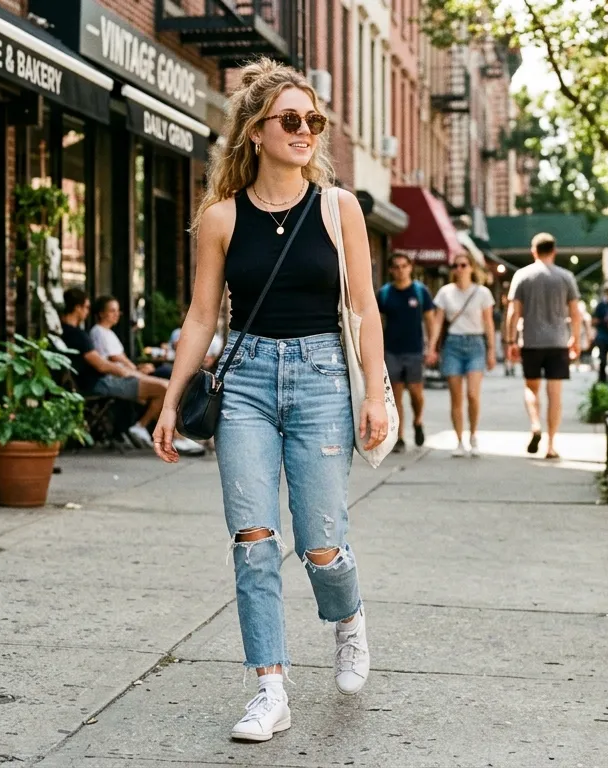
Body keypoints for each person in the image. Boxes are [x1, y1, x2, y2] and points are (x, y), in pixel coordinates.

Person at [150, 60, 387, 743]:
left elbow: (364, 309)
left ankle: (347, 619)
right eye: (291, 119)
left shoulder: (340, 209)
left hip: (320, 380)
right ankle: (270, 688)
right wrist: (170, 405)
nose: (306, 130)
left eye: (314, 120)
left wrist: (375, 392)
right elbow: (200, 318)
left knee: (321, 545)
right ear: (256, 132)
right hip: (247, 382)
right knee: (253, 539)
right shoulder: (221, 217)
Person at [57, 289, 203, 455]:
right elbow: (102, 365)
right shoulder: (78, 335)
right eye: (86, 307)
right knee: (165, 387)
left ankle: (168, 435)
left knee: (166, 384)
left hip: (100, 380)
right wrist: (128, 372)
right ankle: (157, 432)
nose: (87, 311)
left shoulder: (68, 333)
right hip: (99, 382)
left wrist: (131, 371)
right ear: (77, 308)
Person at [505, 233, 582, 460]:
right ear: (554, 251)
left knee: (531, 388)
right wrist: (575, 339)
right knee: (555, 394)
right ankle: (550, 445)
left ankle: (535, 424)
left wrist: (510, 340)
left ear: (534, 251)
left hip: (531, 341)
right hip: (558, 342)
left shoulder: (522, 276)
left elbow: (513, 312)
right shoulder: (566, 277)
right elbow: (575, 314)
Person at [427, 256, 496, 457]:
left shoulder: (482, 292)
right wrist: (431, 347)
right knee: (456, 398)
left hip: (476, 344)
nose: (459, 268)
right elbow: (438, 322)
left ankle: (473, 435)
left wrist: (491, 350)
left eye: (463, 265)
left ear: (471, 268)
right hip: (453, 345)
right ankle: (459, 441)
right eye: (456, 265)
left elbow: (489, 323)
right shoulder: (445, 292)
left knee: (473, 395)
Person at [376, 253, 436, 453]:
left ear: (410, 267)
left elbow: (430, 320)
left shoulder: (420, 292)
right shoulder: (385, 294)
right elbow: (375, 322)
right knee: (395, 397)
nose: (401, 270)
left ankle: (418, 421)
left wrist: (432, 346)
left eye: (404, 266)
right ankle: (399, 437)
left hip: (414, 350)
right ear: (391, 270)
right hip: (391, 351)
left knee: (417, 394)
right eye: (397, 267)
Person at [89, 295, 155, 375]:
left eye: (118, 311)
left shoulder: (109, 332)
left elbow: (121, 357)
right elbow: (114, 357)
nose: (117, 314)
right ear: (101, 313)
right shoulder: (98, 332)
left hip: (126, 373)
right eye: (112, 311)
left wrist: (138, 367)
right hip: (115, 377)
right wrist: (136, 370)